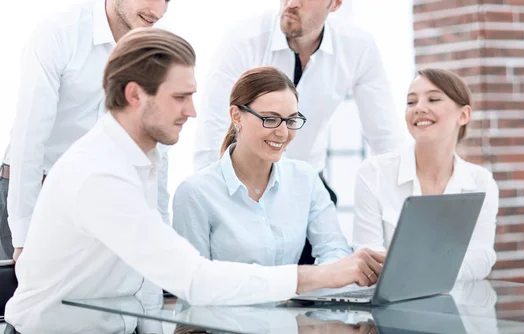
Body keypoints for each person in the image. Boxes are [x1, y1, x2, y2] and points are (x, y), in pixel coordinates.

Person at [4, 28, 386, 333]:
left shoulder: (142, 161)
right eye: (180, 97)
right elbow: (193, 279)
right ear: (135, 95)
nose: (193, 111)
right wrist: (320, 275)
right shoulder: (100, 174)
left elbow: (147, 282)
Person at [194, 0, 404, 264]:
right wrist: (214, 205)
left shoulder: (357, 47)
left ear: (335, 4)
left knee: (323, 276)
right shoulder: (243, 38)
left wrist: (403, 228)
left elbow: (386, 140)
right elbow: (213, 129)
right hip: (241, 184)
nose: (291, 3)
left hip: (307, 184)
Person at [0, 0, 171, 262]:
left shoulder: (153, 53)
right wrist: (24, 236)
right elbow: (29, 138)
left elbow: (155, 152)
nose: (157, 11)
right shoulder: (58, 32)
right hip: (32, 193)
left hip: (96, 201)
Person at [173, 66, 352, 266]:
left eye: (291, 120)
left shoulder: (305, 179)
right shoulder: (196, 193)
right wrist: (297, 280)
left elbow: (335, 250)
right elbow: (194, 282)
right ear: (236, 116)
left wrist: (321, 278)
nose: (283, 133)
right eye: (271, 119)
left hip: (295, 297)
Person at [352, 68, 499, 281]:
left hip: (457, 305)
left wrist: (425, 273)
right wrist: (436, 269)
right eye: (411, 102)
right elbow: (368, 258)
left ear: (464, 115)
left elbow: (482, 257)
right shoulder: (374, 173)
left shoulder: (481, 182)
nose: (419, 108)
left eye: (433, 99)